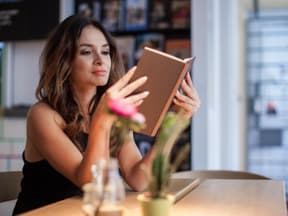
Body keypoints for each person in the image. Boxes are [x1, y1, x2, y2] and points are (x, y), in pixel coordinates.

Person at [13, 14, 200, 215]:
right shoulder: (42, 115)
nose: (100, 60)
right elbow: (90, 182)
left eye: (105, 51)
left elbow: (139, 179)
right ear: (64, 60)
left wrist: (174, 123)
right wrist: (103, 119)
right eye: (86, 52)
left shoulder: (112, 110)